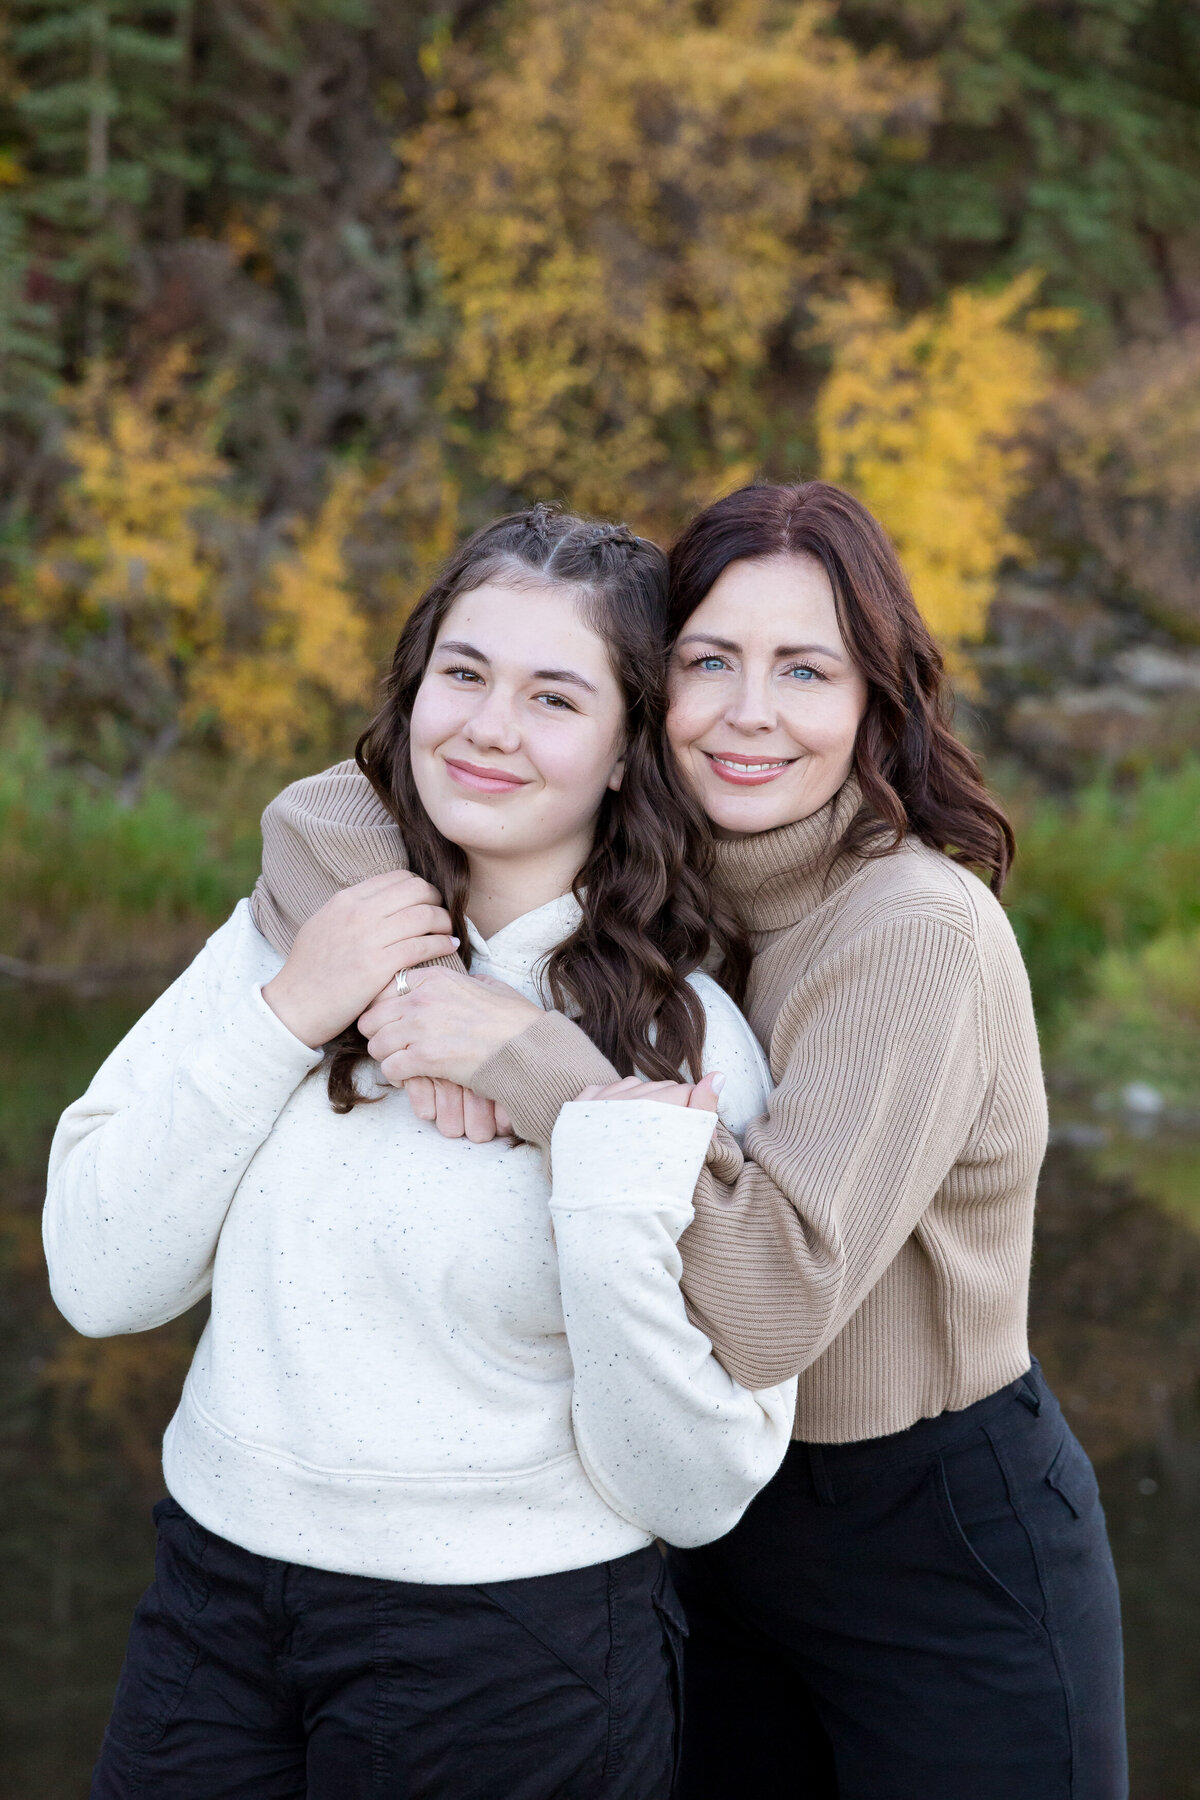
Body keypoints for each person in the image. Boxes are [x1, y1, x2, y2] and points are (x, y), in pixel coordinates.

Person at [256, 482, 1128, 1800]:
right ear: (649, 694)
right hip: (695, 1520)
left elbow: (765, 1302)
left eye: (806, 670)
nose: (749, 712)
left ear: (877, 703)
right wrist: (405, 996)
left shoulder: (911, 933)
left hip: (933, 1547)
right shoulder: (658, 874)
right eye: (709, 662)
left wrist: (518, 1056)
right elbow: (322, 815)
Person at [43, 505, 796, 1800]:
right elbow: (98, 1278)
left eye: (554, 697)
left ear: (626, 752)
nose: (489, 727)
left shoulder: (684, 1044)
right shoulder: (290, 933)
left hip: (513, 1653)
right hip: (213, 1605)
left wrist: (604, 1180)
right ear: (415, 686)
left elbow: (699, 1487)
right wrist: (292, 1008)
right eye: (465, 672)